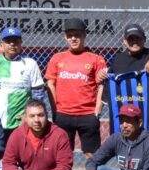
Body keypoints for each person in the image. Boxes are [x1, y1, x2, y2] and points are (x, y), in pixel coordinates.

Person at [45, 18, 106, 159]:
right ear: (65, 37)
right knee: (62, 155)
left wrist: (97, 110)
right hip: (63, 114)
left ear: (84, 35)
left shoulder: (96, 59)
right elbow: (50, 83)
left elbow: (101, 85)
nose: (73, 38)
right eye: (70, 35)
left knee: (92, 156)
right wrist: (55, 110)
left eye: (77, 35)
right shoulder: (57, 58)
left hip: (88, 114)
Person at [0, 27, 48, 140]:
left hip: (20, 122)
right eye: (8, 41)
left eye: (15, 41)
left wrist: (28, 116)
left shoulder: (30, 64)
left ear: (21, 43)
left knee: (21, 156)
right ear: (2, 44)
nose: (12, 44)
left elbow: (38, 94)